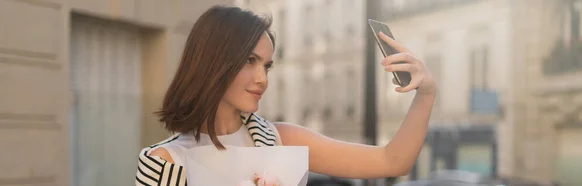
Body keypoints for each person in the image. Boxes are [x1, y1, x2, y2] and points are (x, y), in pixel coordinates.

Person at [135, 5, 436, 186]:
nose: (262, 78)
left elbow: (392, 161)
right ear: (215, 62)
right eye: (249, 61)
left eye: (267, 65)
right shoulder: (166, 161)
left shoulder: (282, 139)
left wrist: (425, 94)